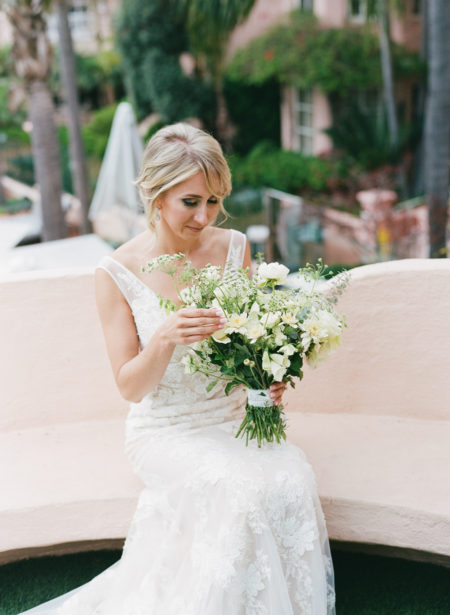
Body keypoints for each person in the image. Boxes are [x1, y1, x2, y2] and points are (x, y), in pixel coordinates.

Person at [18, 123, 336, 614]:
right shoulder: (116, 272)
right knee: (236, 490)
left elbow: (250, 342)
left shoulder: (234, 248)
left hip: (233, 418)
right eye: (191, 201)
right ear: (155, 193)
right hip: (166, 429)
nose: (204, 216)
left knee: (291, 476)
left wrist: (265, 383)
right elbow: (129, 386)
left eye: (213, 200)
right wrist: (165, 336)